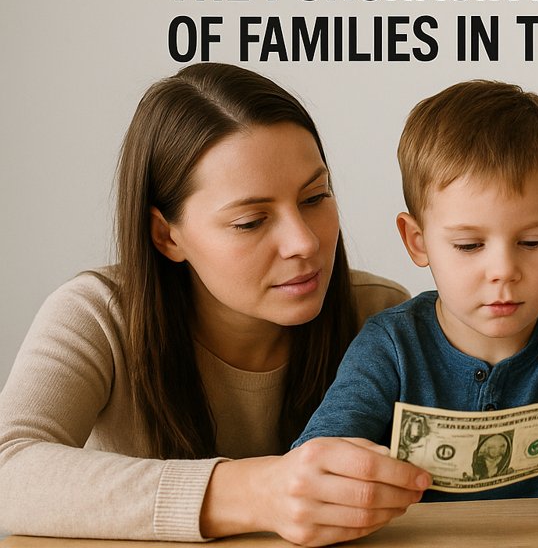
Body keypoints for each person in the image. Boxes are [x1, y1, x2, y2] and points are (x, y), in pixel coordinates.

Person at [0, 63, 420, 545]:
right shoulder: (97, 316)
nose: (303, 241)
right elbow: (8, 468)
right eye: (250, 221)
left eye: (315, 197)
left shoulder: (380, 315)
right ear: (166, 235)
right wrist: (257, 492)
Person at [295, 80, 538, 517]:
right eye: (468, 246)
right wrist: (347, 476)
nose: (503, 271)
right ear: (417, 241)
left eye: (533, 241)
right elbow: (316, 455)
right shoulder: (391, 344)